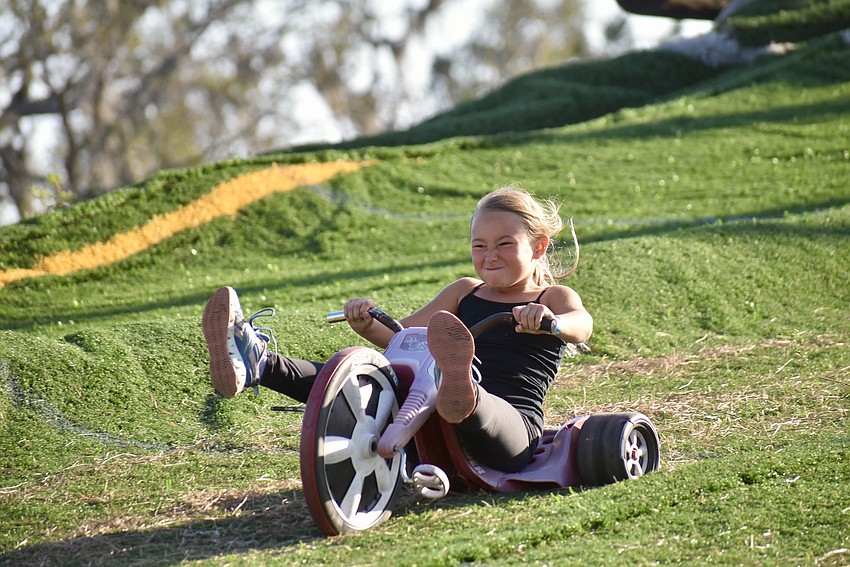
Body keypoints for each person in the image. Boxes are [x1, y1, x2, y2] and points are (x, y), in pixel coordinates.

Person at [202, 186, 593, 473]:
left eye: (505, 244)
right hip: (424, 422)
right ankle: (257, 362)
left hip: (508, 430)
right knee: (361, 381)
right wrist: (366, 323)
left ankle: (462, 389)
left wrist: (550, 322)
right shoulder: (463, 292)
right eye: (479, 245)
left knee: (470, 395)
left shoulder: (551, 297)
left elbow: (582, 326)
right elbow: (402, 339)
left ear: (539, 247)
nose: (490, 255)